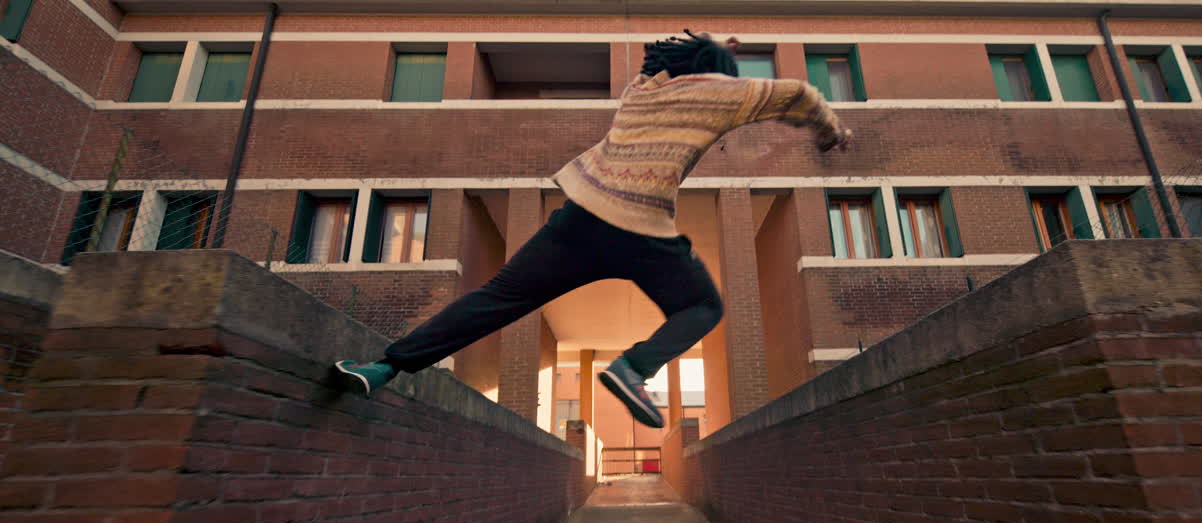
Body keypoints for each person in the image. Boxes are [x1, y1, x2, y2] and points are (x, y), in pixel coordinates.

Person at [335, 30, 851, 429]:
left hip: (579, 219)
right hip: (643, 228)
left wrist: (713, 45)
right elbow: (800, 94)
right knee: (702, 306)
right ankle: (632, 370)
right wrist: (830, 133)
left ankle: (385, 367)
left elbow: (679, 56)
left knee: (496, 299)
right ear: (718, 72)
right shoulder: (728, 96)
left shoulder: (640, 91)